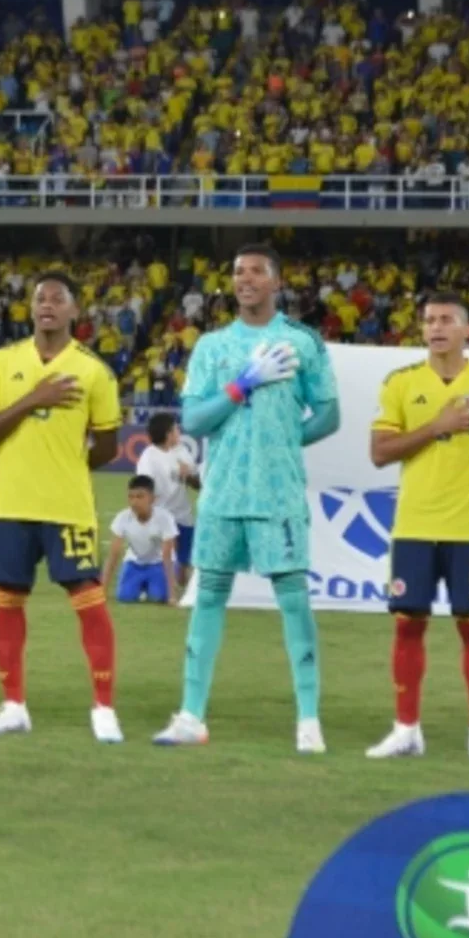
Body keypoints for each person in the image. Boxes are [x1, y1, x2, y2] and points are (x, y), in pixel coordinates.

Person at [154, 243, 339, 753]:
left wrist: (283, 441)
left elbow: (329, 413)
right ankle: (191, 715)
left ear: (276, 282)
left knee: (293, 598)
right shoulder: (213, 347)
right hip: (222, 493)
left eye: (257, 271)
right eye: (238, 272)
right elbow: (192, 421)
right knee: (208, 595)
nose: (245, 279)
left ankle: (308, 720)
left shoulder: (302, 341)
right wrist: (240, 386)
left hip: (277, 493)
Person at [0, 272, 125, 743]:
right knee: (8, 601)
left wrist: (67, 465)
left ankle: (104, 708)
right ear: (31, 308)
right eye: (40, 299)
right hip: (11, 504)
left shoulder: (94, 370)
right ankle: (14, 704)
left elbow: (106, 446)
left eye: (58, 299)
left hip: (67, 506)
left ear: (75, 311)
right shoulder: (3, 361)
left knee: (89, 602)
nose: (48, 306)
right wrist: (35, 399)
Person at [365, 292, 469, 759]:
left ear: (467, 330)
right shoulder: (401, 383)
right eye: (429, 320)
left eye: (447, 319)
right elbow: (380, 453)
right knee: (408, 626)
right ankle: (406, 729)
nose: (436, 327)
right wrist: (439, 425)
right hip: (414, 525)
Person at [135, 411, 199, 587]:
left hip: (182, 514)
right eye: (176, 429)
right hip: (160, 516)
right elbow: (143, 487)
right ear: (168, 434)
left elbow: (198, 485)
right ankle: (154, 584)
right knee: (157, 557)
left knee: (185, 559)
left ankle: (182, 585)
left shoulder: (182, 451)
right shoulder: (149, 457)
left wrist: (189, 476)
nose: (179, 431)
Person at [103, 476, 179, 606]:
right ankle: (142, 584)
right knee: (124, 597)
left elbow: (168, 556)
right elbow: (113, 555)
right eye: (131, 497)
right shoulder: (122, 518)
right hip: (134, 562)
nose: (134, 502)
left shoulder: (165, 518)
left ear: (152, 499)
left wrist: (172, 596)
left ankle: (149, 585)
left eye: (140, 497)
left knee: (159, 597)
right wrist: (102, 591)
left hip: (159, 563)